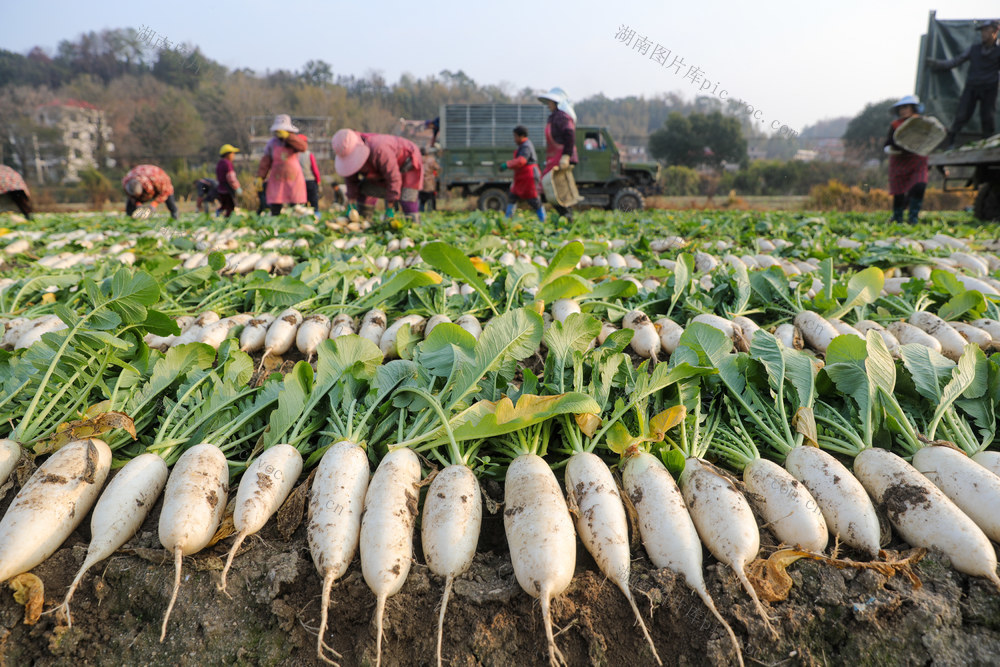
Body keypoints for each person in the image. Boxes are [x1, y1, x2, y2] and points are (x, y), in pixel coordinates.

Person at [927, 19, 1000, 148]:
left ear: (995, 32)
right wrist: (937, 64)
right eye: (982, 31)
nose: (983, 34)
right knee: (962, 115)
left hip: (990, 87)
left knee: (987, 117)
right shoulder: (974, 49)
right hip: (972, 86)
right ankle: (951, 142)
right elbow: (955, 61)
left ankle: (987, 144)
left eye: (986, 31)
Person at [331, 128, 424, 223]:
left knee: (407, 199)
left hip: (407, 163)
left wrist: (390, 207)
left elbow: (393, 178)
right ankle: (364, 221)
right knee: (365, 190)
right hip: (381, 171)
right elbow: (350, 179)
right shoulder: (350, 157)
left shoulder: (380, 149)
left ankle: (414, 226)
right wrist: (351, 201)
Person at [884, 96, 929, 224]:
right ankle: (898, 219)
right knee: (899, 192)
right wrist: (889, 148)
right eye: (900, 108)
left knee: (919, 185)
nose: (903, 110)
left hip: (918, 160)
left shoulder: (922, 123)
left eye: (906, 107)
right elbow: (889, 142)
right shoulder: (895, 125)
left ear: (913, 108)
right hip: (900, 160)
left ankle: (913, 218)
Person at [538, 87, 580, 222]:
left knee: (558, 192)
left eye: (551, 102)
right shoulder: (554, 117)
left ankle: (567, 218)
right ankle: (566, 218)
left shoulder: (562, 117)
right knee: (552, 191)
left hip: (561, 157)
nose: (549, 105)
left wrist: (566, 156)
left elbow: (569, 135)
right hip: (554, 157)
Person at [256, 114, 307, 215]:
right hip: (277, 178)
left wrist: (289, 137)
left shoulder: (294, 141)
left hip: (293, 178)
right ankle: (275, 217)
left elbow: (303, 147)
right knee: (275, 201)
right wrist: (260, 177)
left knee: (296, 205)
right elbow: (266, 161)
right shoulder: (272, 143)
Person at [499, 125, 545, 221]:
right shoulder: (522, 145)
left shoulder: (526, 146)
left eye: (515, 136)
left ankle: (543, 219)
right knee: (512, 196)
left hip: (529, 176)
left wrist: (507, 165)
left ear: (522, 136)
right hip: (522, 176)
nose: (514, 139)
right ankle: (507, 220)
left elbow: (522, 160)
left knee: (533, 199)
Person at [215, 144, 243, 218]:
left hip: (220, 189)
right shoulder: (227, 163)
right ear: (227, 154)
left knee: (224, 206)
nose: (233, 155)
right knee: (231, 207)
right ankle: (227, 220)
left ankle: (219, 215)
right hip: (227, 189)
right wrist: (237, 188)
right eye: (232, 153)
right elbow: (231, 178)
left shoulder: (220, 163)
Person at [297, 137, 322, 213]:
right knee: (313, 201)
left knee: (302, 203)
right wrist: (318, 180)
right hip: (310, 181)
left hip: (299, 182)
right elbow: (314, 169)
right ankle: (316, 216)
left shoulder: (295, 155)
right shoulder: (309, 154)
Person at [419, 147, 439, 212]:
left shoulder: (417, 159)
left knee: (421, 199)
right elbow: (437, 168)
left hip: (420, 182)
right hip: (429, 182)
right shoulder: (431, 160)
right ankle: (430, 211)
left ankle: (421, 211)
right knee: (430, 198)